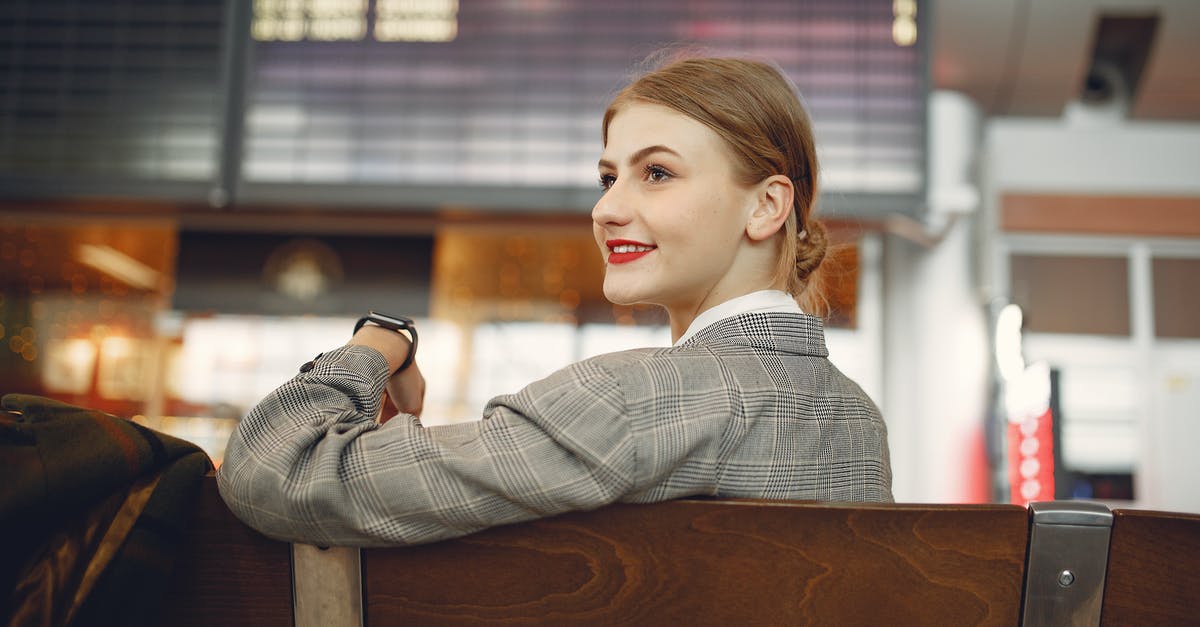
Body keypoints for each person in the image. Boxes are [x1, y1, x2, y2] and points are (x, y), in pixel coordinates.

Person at [217, 55, 892, 547]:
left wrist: (378, 342)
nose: (606, 209)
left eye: (657, 173)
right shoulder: (858, 419)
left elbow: (275, 472)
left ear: (767, 205)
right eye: (608, 177)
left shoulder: (631, 399)